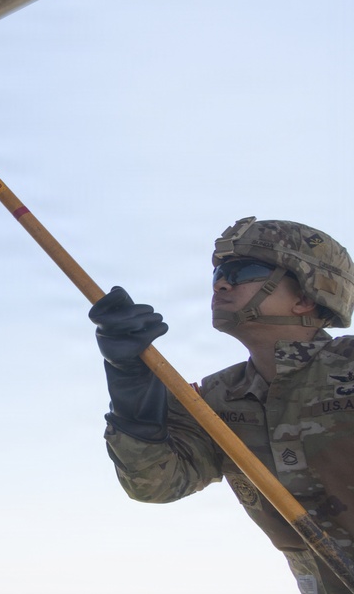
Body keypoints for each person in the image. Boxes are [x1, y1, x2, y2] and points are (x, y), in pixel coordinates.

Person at [88, 216, 354, 594]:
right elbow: (155, 484)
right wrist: (129, 381)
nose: (222, 283)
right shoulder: (213, 400)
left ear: (306, 297)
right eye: (218, 275)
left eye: (243, 271)